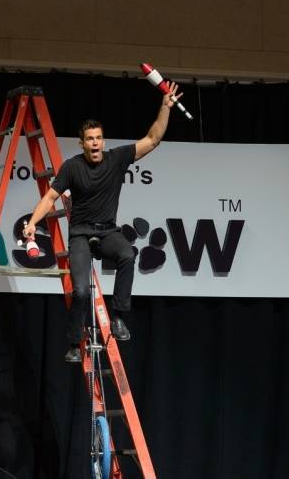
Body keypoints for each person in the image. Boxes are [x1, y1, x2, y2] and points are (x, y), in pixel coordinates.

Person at [23, 82, 182, 362]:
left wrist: (165, 107)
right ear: (82, 143)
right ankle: (74, 344)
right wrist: (33, 223)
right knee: (81, 291)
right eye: (90, 139)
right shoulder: (72, 167)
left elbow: (152, 139)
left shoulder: (117, 158)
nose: (95, 143)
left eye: (99, 138)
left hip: (108, 231)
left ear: (103, 141)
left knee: (128, 255)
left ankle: (118, 318)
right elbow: (50, 197)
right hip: (81, 235)